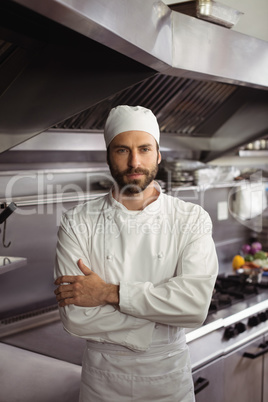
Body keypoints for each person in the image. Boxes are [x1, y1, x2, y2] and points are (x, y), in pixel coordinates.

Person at [54, 105, 218, 402]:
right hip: (101, 383)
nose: (134, 162)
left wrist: (107, 293)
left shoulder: (191, 219)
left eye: (144, 149)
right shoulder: (77, 222)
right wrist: (162, 314)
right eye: (122, 150)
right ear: (108, 156)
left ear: (157, 154)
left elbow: (194, 307)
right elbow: (76, 318)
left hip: (169, 380)